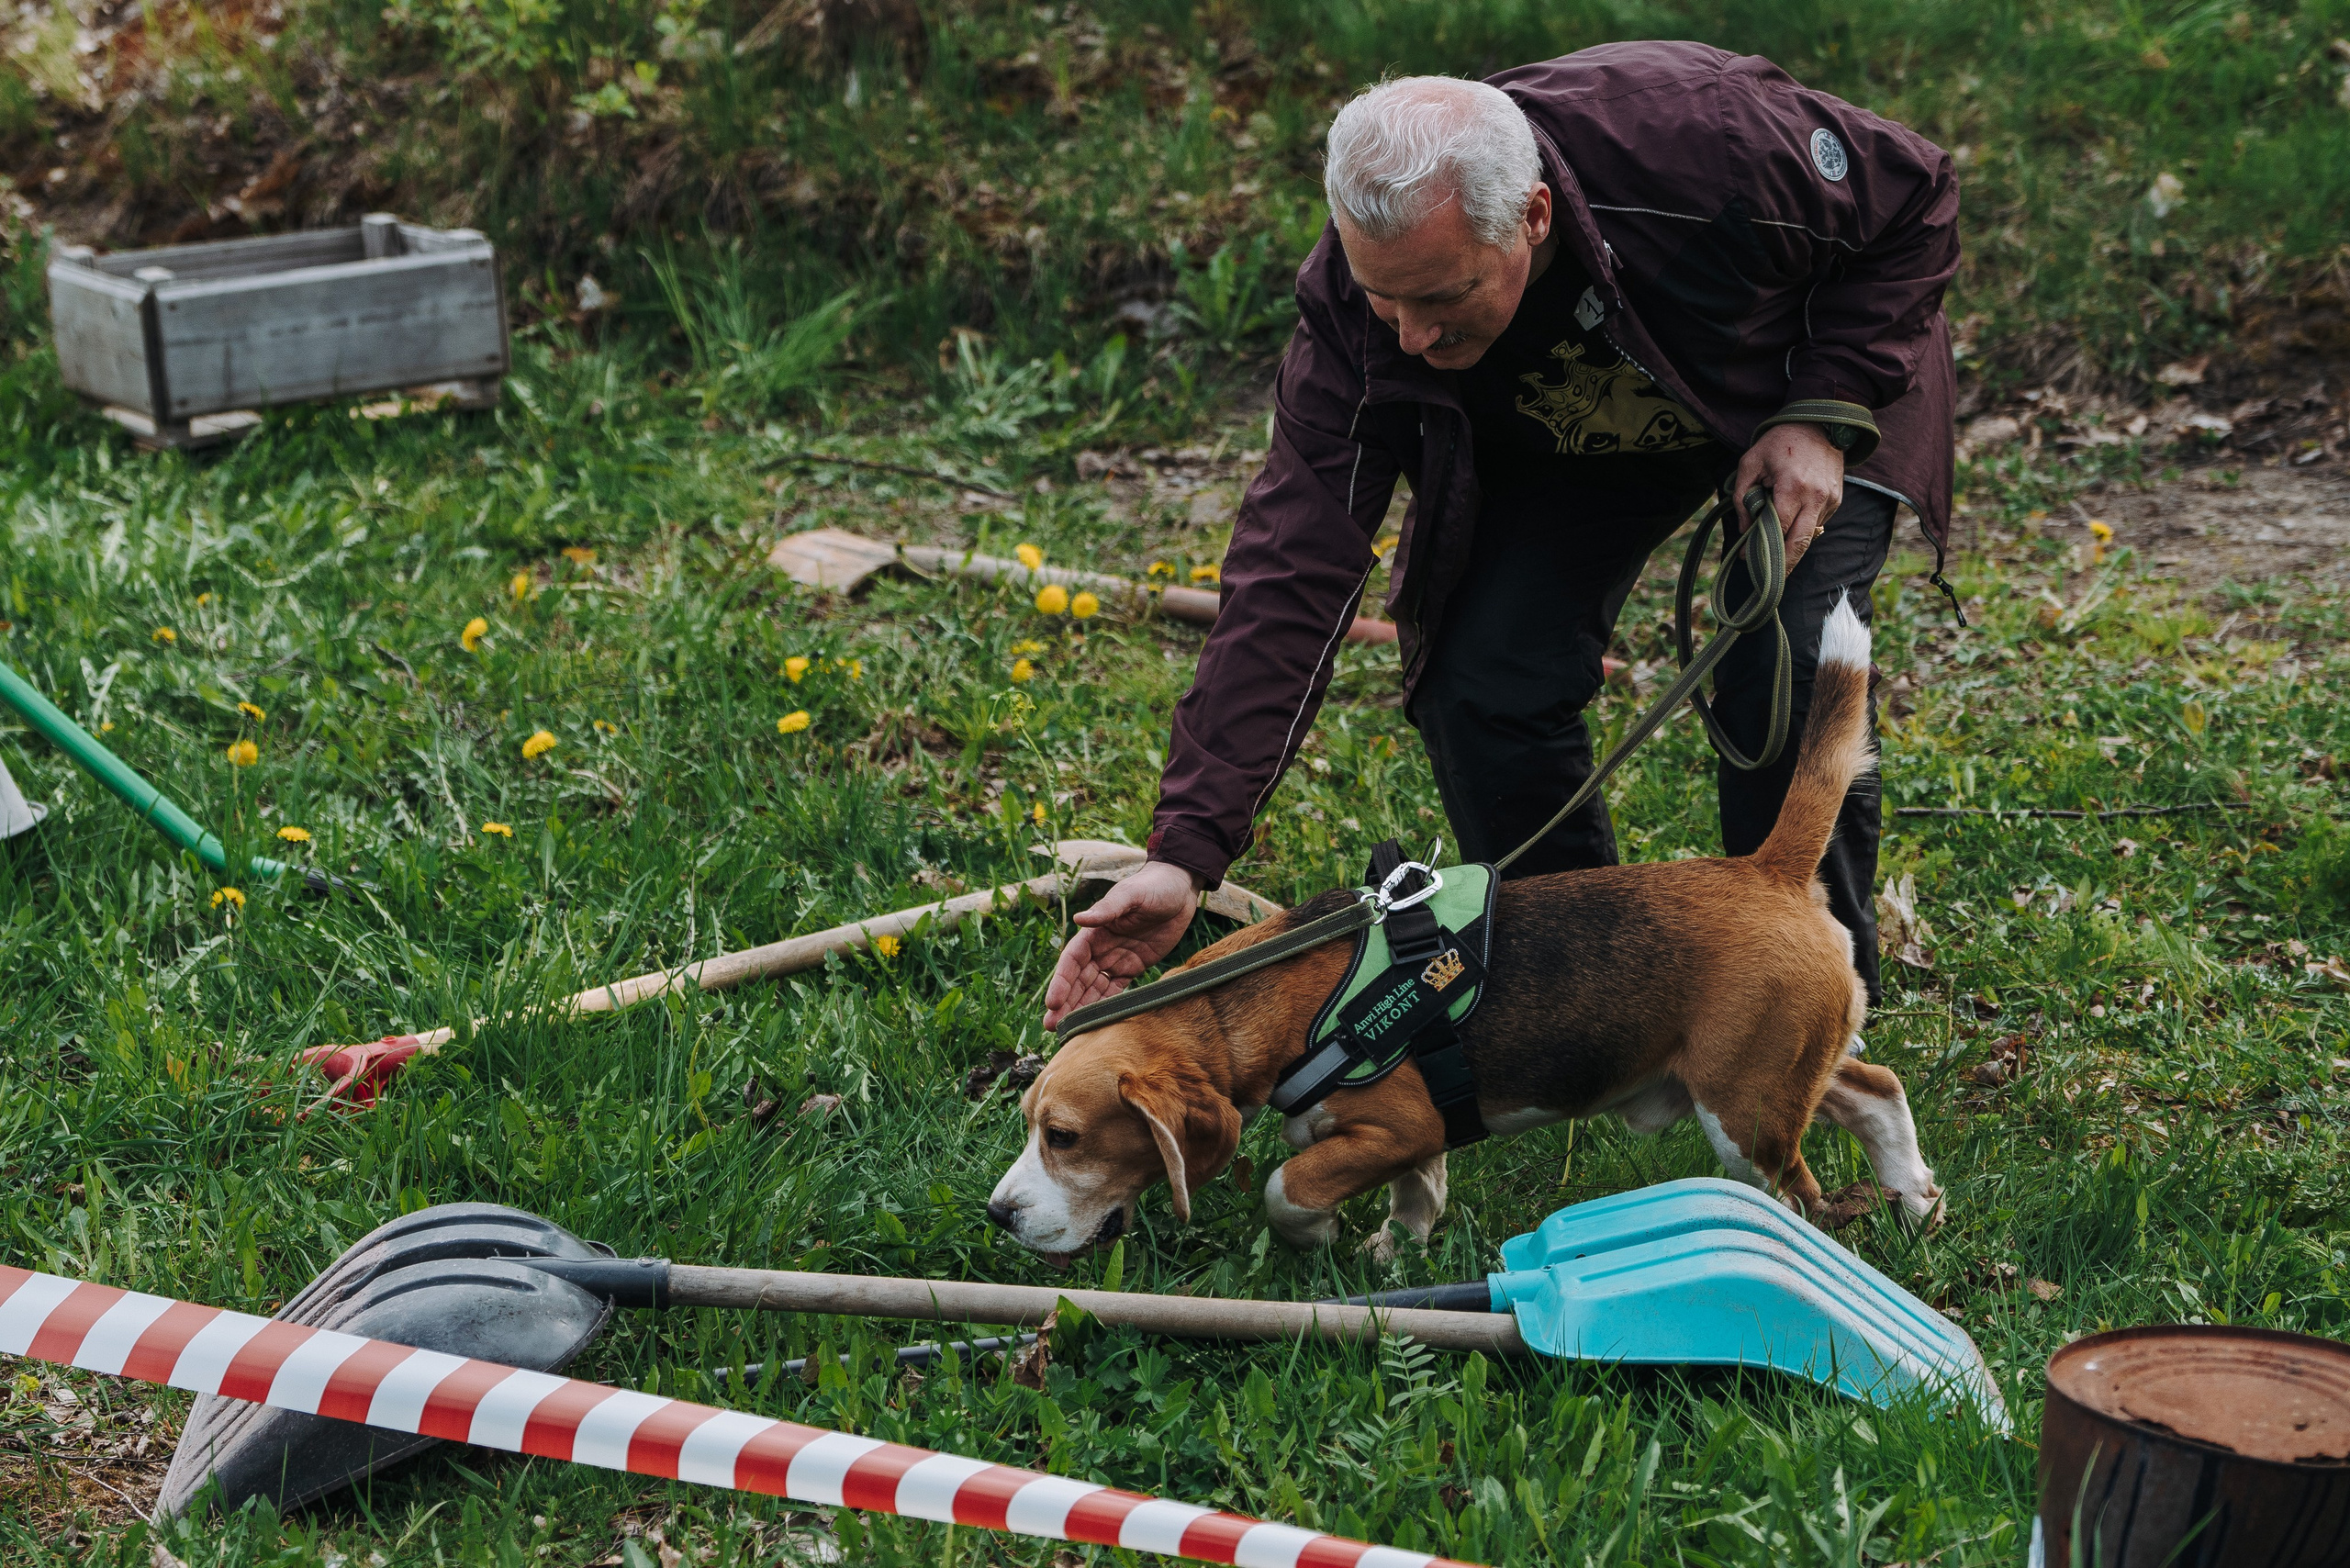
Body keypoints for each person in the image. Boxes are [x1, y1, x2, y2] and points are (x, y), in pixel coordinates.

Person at [1044, 43, 1958, 1029]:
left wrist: (1826, 407)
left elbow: (1912, 200)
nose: (1409, 337)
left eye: (1441, 297)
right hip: (1589, 416)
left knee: (1779, 660)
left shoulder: (1702, 139)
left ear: (1533, 216)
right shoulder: (1355, 315)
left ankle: (1805, 1011)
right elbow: (1291, 566)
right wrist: (1186, 852)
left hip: (1808, 371)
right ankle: (1596, 1005)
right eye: (1384, 296)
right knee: (1481, 672)